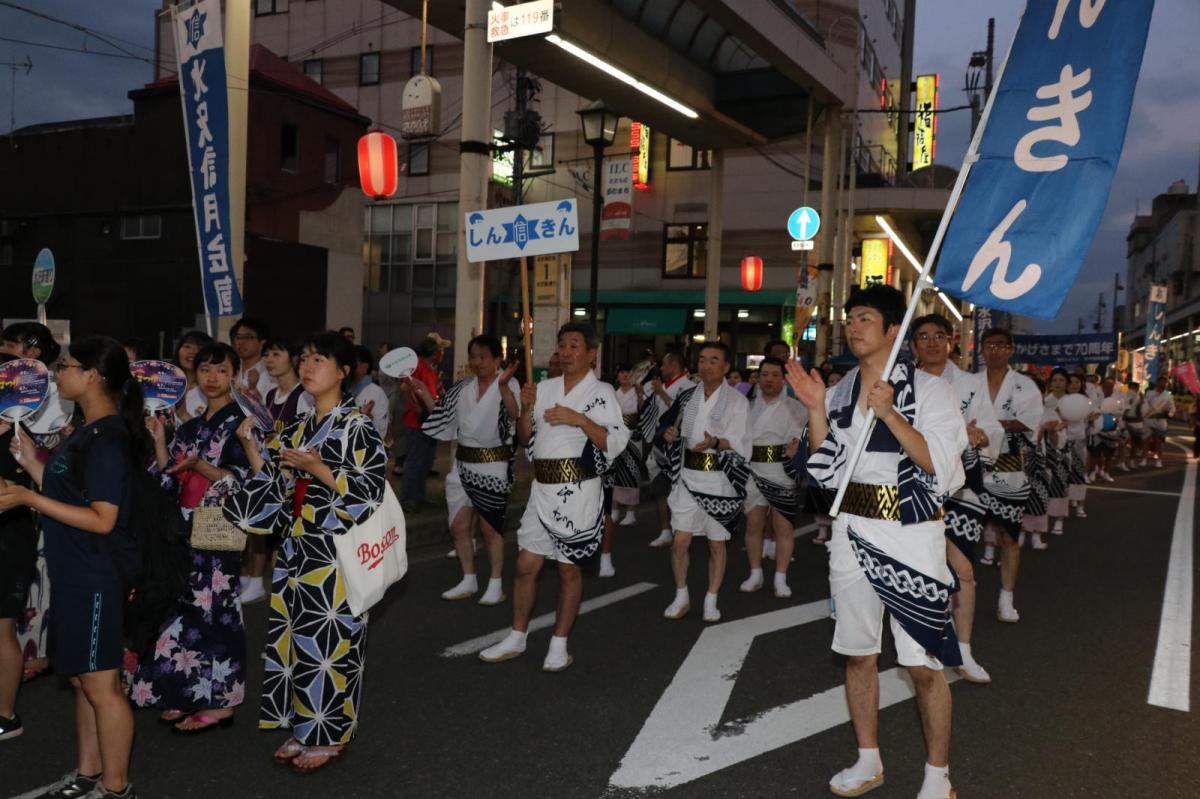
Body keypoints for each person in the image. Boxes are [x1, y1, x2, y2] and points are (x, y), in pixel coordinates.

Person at [787, 286, 966, 799]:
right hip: (851, 531)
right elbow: (825, 471)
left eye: (865, 318)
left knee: (921, 663)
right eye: (850, 318)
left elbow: (945, 470)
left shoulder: (930, 392)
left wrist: (890, 414)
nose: (853, 326)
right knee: (858, 653)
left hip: (912, 535)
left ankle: (938, 775)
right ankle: (869, 760)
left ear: (893, 329)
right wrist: (817, 409)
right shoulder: (840, 390)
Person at [225, 331, 387, 773]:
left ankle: (330, 734)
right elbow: (275, 487)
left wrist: (318, 468)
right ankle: (305, 726)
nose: (309, 366)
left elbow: (370, 495)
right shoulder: (298, 426)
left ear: (343, 371)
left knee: (334, 643)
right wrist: (251, 449)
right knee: (296, 641)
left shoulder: (358, 426)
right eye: (306, 358)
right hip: (298, 549)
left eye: (320, 359)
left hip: (337, 550)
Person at [0, 336, 147, 799]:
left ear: (93, 377)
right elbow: (69, 495)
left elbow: (103, 519)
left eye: (67, 366)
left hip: (95, 573)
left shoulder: (107, 438)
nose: (57, 373)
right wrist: (32, 463)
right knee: (84, 678)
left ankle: (116, 787)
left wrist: (27, 495)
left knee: (102, 685)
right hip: (74, 570)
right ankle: (88, 775)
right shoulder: (88, 430)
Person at [478, 323, 628, 671]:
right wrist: (526, 409)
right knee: (526, 565)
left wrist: (579, 419)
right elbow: (525, 437)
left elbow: (613, 442)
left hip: (579, 491)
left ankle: (559, 643)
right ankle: (517, 635)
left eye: (574, 345)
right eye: (562, 345)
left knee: (568, 571)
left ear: (592, 355)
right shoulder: (544, 387)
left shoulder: (602, 392)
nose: (565, 351)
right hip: (542, 490)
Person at [131, 342, 249, 733]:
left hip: (219, 527)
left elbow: (244, 480)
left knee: (217, 614)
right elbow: (170, 476)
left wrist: (202, 467)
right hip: (184, 528)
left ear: (235, 373)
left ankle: (220, 702)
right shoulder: (193, 425)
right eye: (205, 371)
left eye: (221, 370)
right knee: (184, 610)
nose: (212, 378)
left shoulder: (243, 423)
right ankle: (187, 690)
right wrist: (162, 441)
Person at [912, 314, 1002, 684]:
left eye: (939, 336)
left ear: (951, 342)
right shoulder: (900, 382)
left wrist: (979, 436)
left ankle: (963, 651)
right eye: (923, 337)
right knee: (918, 572)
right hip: (910, 489)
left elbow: (992, 429)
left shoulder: (969, 384)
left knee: (962, 570)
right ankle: (922, 644)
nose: (932, 343)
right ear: (913, 344)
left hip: (959, 491)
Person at [421, 334, 519, 605]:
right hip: (462, 464)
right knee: (460, 526)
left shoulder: (509, 384)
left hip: (494, 465)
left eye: (483, 357)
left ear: (497, 359)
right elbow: (442, 415)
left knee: (490, 528)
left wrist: (504, 388)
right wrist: (423, 393)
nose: (477, 363)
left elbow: (514, 414)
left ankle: (496, 583)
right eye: (473, 357)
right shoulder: (463, 387)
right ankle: (468, 578)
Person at [660, 341, 750, 623]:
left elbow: (742, 441)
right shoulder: (687, 396)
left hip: (719, 481)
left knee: (716, 544)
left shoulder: (738, 401)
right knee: (680, 541)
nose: (706, 365)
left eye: (714, 360)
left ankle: (711, 598)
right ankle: (681, 594)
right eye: (702, 359)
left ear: (725, 367)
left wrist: (716, 442)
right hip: (688, 475)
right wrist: (671, 434)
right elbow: (668, 426)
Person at [3, 324, 62, 685]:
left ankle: (39, 652)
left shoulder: (51, 393)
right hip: (26, 501)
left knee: (40, 583)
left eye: (12, 345)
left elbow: (50, 445)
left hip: (38, 498)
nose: (7, 352)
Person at [240, 338, 312, 605]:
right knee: (259, 526)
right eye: (267, 354)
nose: (270, 359)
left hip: (291, 472)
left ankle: (283, 590)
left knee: (282, 536)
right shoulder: (271, 394)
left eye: (277, 353)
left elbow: (304, 438)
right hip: (270, 467)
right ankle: (256, 581)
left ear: (292, 358)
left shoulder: (303, 395)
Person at [977, 328, 1042, 623]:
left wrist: (989, 424)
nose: (995, 350)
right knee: (957, 531)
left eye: (1001, 345)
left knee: (1008, 533)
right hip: (970, 461)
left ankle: (1006, 597)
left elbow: (1027, 423)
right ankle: (955, 595)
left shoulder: (1025, 386)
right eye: (989, 345)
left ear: (1011, 350)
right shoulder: (968, 383)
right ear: (981, 349)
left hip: (1008, 461)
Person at [739, 357, 806, 598]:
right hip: (753, 469)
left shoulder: (795, 407)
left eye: (774, 375)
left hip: (781, 471)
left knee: (783, 527)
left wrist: (795, 446)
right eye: (764, 374)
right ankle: (755, 572)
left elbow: (799, 436)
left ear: (783, 378)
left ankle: (781, 577)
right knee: (754, 524)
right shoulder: (745, 405)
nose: (768, 379)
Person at [0, 354, 36, 741]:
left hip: (8, 537)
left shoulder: (18, 433)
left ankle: (5, 716)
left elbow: (11, 491)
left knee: (1, 628)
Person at [641, 351, 693, 548]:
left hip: (677, 444)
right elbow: (648, 412)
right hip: (658, 442)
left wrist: (660, 393)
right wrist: (643, 394)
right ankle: (665, 530)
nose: (661, 369)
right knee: (660, 489)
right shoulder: (661, 386)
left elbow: (684, 413)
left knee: (678, 490)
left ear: (673, 365)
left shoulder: (689, 387)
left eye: (664, 365)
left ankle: (679, 530)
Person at [398, 338, 443, 512]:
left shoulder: (428, 368)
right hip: (417, 421)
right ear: (433, 353)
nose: (442, 354)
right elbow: (404, 387)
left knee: (425, 460)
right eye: (440, 351)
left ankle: (418, 497)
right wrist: (416, 406)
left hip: (427, 420)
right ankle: (409, 499)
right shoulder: (418, 366)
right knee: (416, 460)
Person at [229, 317, 276, 403]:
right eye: (238, 337)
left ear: (262, 343)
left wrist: (252, 388)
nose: (241, 342)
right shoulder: (231, 369)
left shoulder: (271, 371)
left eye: (248, 337)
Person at [173, 331, 213, 424]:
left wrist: (183, 415)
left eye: (199, 348)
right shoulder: (165, 384)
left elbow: (210, 433)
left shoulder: (212, 390)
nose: (192, 352)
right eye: (187, 346)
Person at [351, 345, 390, 440]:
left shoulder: (375, 393)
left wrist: (367, 419)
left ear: (365, 367)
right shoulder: (344, 389)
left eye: (352, 363)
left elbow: (381, 433)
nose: (347, 367)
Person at [1143, 374, 1175, 467]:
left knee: (1159, 442)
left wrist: (1167, 414)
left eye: (1165, 383)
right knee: (1146, 440)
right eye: (1161, 382)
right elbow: (1144, 405)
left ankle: (1159, 460)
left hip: (1160, 421)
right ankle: (1144, 459)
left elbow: (1172, 408)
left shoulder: (1168, 396)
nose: (1163, 384)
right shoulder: (1149, 393)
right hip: (1148, 420)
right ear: (1157, 383)